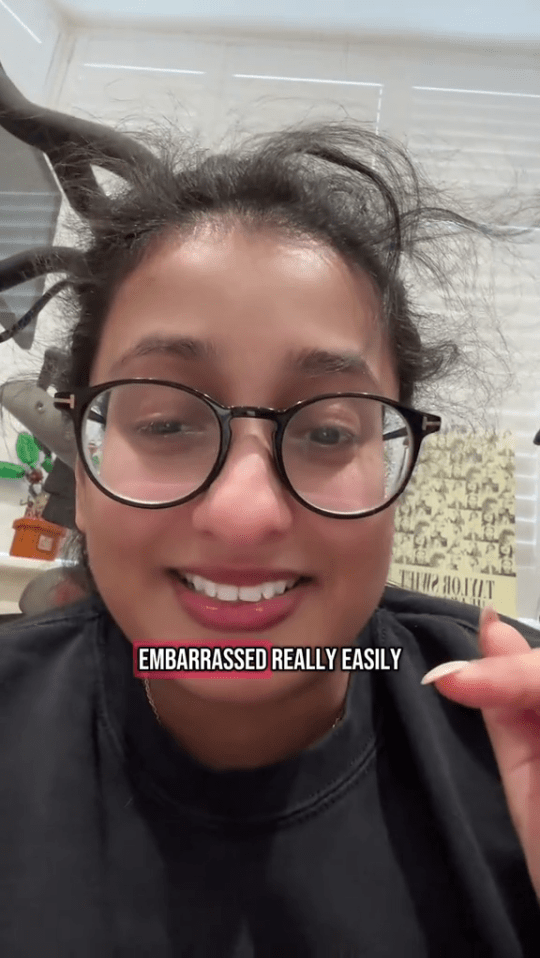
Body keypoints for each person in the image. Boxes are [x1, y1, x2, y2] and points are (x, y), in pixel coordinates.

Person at [1, 70, 540, 957]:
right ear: (85, 458)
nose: (245, 514)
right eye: (167, 422)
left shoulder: (511, 750)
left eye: (327, 433)